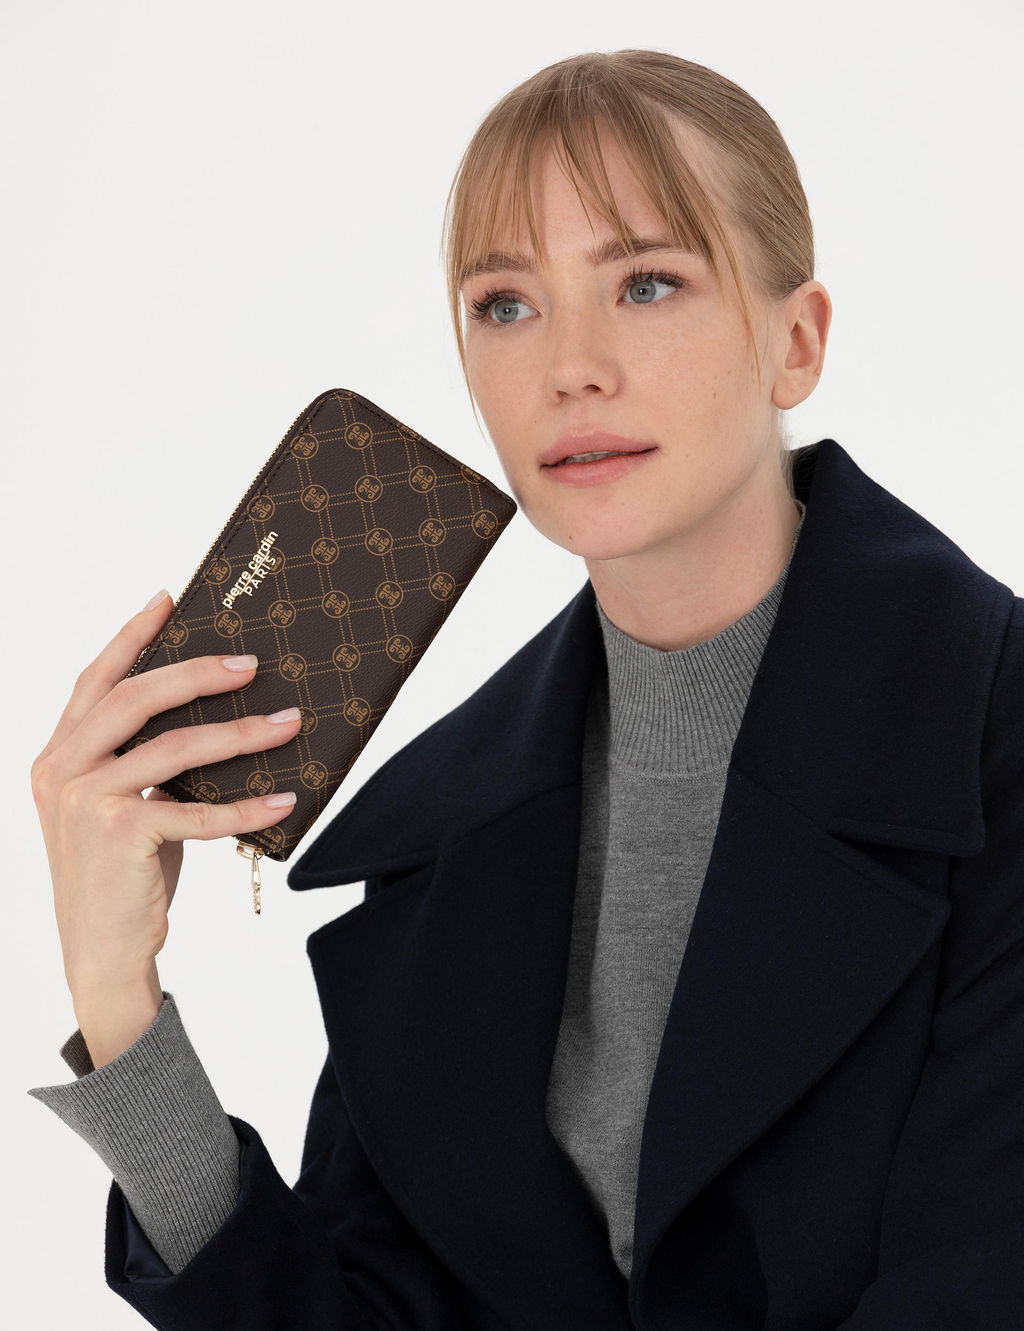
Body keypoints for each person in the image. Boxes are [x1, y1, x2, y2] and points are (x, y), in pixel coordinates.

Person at [27, 48, 1024, 1330]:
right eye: (506, 304)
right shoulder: (446, 837)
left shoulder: (989, 736)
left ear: (795, 342)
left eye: (646, 283)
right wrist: (119, 1001)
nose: (571, 365)